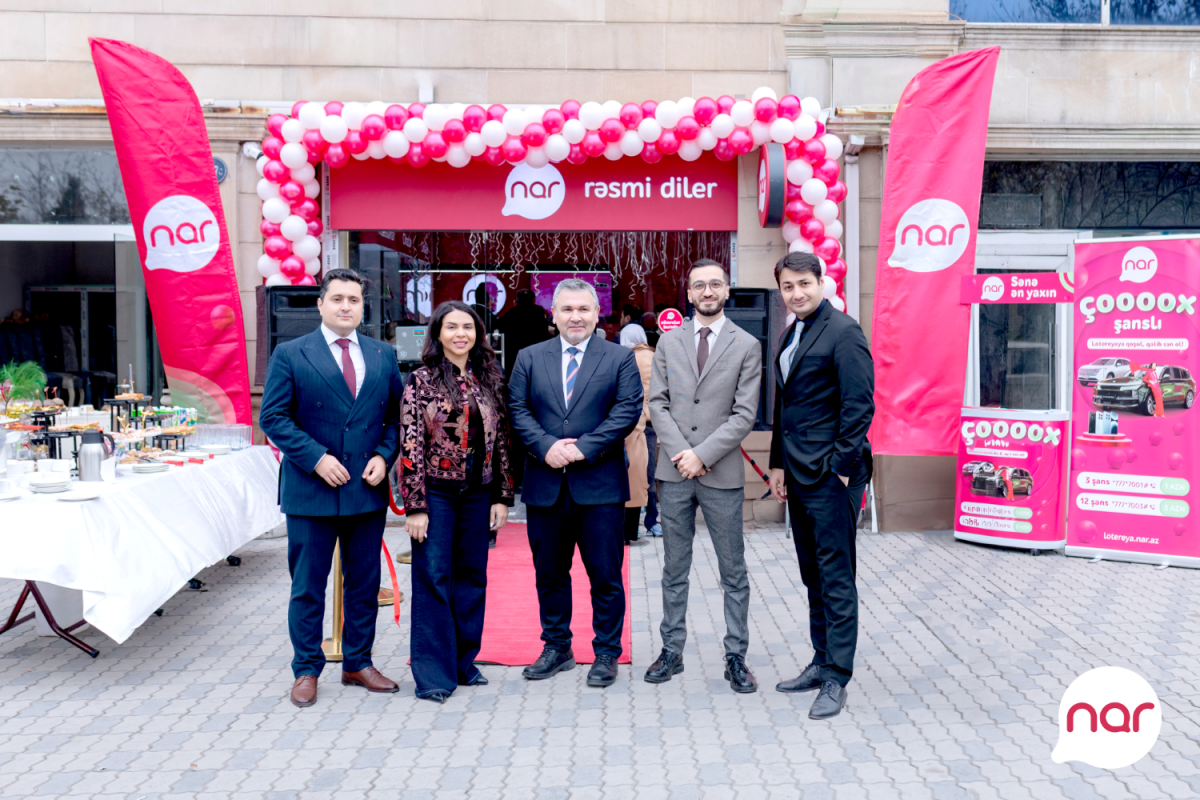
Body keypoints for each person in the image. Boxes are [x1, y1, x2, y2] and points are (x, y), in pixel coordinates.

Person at [260, 268, 404, 708]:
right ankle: (306, 669)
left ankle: (358, 663)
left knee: (363, 584)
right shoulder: (291, 353)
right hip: (311, 490)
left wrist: (384, 455)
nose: (346, 306)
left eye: (353, 300)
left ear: (363, 307)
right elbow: (273, 417)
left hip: (365, 488)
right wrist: (317, 458)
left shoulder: (382, 354)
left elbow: (396, 418)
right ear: (320, 304)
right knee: (308, 586)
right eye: (337, 298)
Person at [508, 278, 643, 688]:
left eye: (584, 309)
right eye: (567, 309)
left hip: (599, 485)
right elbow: (517, 409)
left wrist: (583, 449)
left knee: (605, 575)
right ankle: (557, 647)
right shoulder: (529, 357)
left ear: (597, 313)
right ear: (553, 314)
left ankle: (606, 651)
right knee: (550, 574)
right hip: (545, 484)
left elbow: (627, 411)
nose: (576, 317)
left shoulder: (619, 358)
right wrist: (546, 446)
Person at [645, 259, 762, 693]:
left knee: (733, 571)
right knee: (674, 569)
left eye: (715, 284)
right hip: (675, 473)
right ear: (689, 293)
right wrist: (684, 455)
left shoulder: (746, 345)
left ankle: (736, 657)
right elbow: (657, 403)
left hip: (721, 473)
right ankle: (671, 651)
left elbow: (744, 414)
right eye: (699, 285)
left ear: (727, 290)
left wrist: (702, 455)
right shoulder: (668, 342)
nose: (707, 291)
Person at [768, 252, 874, 720]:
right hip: (797, 472)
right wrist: (776, 464)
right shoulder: (791, 333)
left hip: (831, 475)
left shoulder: (844, 331)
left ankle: (837, 677)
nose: (797, 293)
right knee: (813, 574)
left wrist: (842, 468)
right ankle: (820, 659)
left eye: (804, 284)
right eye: (788, 286)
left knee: (835, 577)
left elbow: (859, 404)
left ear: (821, 282)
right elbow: (786, 405)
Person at [399, 301, 515, 703]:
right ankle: (433, 674)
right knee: (433, 577)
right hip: (436, 492)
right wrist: (415, 504)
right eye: (451, 327)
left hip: (479, 491)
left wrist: (502, 495)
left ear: (478, 333)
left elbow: (502, 441)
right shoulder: (421, 380)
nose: (460, 334)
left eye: (468, 326)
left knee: (471, 576)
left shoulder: (490, 378)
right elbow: (410, 442)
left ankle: (464, 663)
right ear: (438, 333)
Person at [618, 323, 654, 544]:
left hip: (631, 422)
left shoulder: (625, 359)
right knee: (644, 476)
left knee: (626, 477)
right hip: (652, 421)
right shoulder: (654, 357)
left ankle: (623, 532)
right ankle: (644, 525)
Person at [497, 288, 552, 375]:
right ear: (534, 302)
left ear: (515, 303)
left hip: (513, 365)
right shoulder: (542, 318)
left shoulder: (507, 319)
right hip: (537, 366)